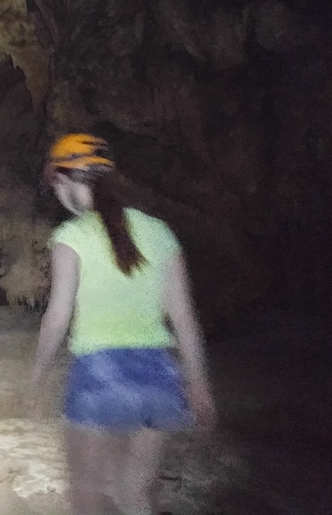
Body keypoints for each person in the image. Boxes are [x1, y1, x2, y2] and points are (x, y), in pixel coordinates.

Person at [29, 133, 216, 515]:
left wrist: (37, 375)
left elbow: (58, 316)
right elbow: (184, 318)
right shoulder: (160, 232)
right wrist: (198, 384)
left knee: (86, 496)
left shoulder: (70, 236)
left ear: (67, 181)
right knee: (135, 496)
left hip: (99, 377)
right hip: (159, 379)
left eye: (57, 183)